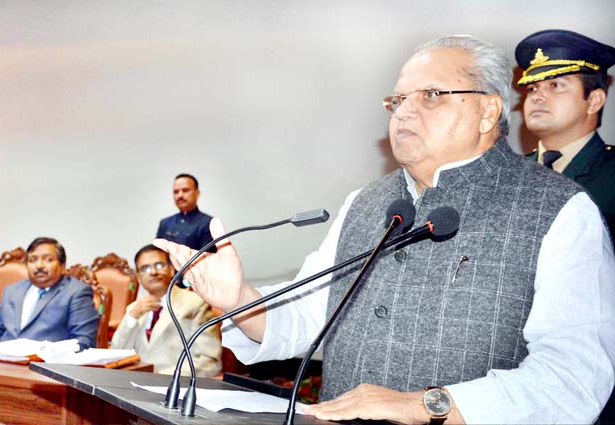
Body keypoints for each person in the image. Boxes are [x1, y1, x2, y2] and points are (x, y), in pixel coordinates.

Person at [157, 35, 615, 424]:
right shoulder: (365, 203)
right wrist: (239, 300)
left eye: (431, 96)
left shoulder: (559, 210)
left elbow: (574, 379)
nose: (403, 114)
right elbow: (308, 318)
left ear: (488, 111)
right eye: (397, 101)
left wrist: (428, 405)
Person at [516, 29, 615, 247]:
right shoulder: (509, 173)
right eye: (532, 88)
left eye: (556, 85)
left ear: (594, 100)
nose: (537, 96)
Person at [110, 244, 221, 377]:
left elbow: (209, 362)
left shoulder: (195, 303)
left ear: (171, 270)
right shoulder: (135, 309)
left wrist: (160, 378)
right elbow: (116, 356)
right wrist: (132, 317)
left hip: (176, 386)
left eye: (159, 265)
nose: (153, 272)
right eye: (145, 268)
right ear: (138, 277)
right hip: (135, 385)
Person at [0, 237, 98, 348]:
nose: (39, 265)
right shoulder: (11, 291)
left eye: (48, 260)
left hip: (44, 362)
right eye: (32, 260)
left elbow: (84, 341)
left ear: (62, 266)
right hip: (2, 359)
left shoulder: (76, 292)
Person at [156, 173, 215, 251]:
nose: (180, 195)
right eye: (176, 192)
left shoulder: (209, 223)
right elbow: (157, 253)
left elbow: (207, 256)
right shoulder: (165, 223)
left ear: (197, 193)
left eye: (185, 190)